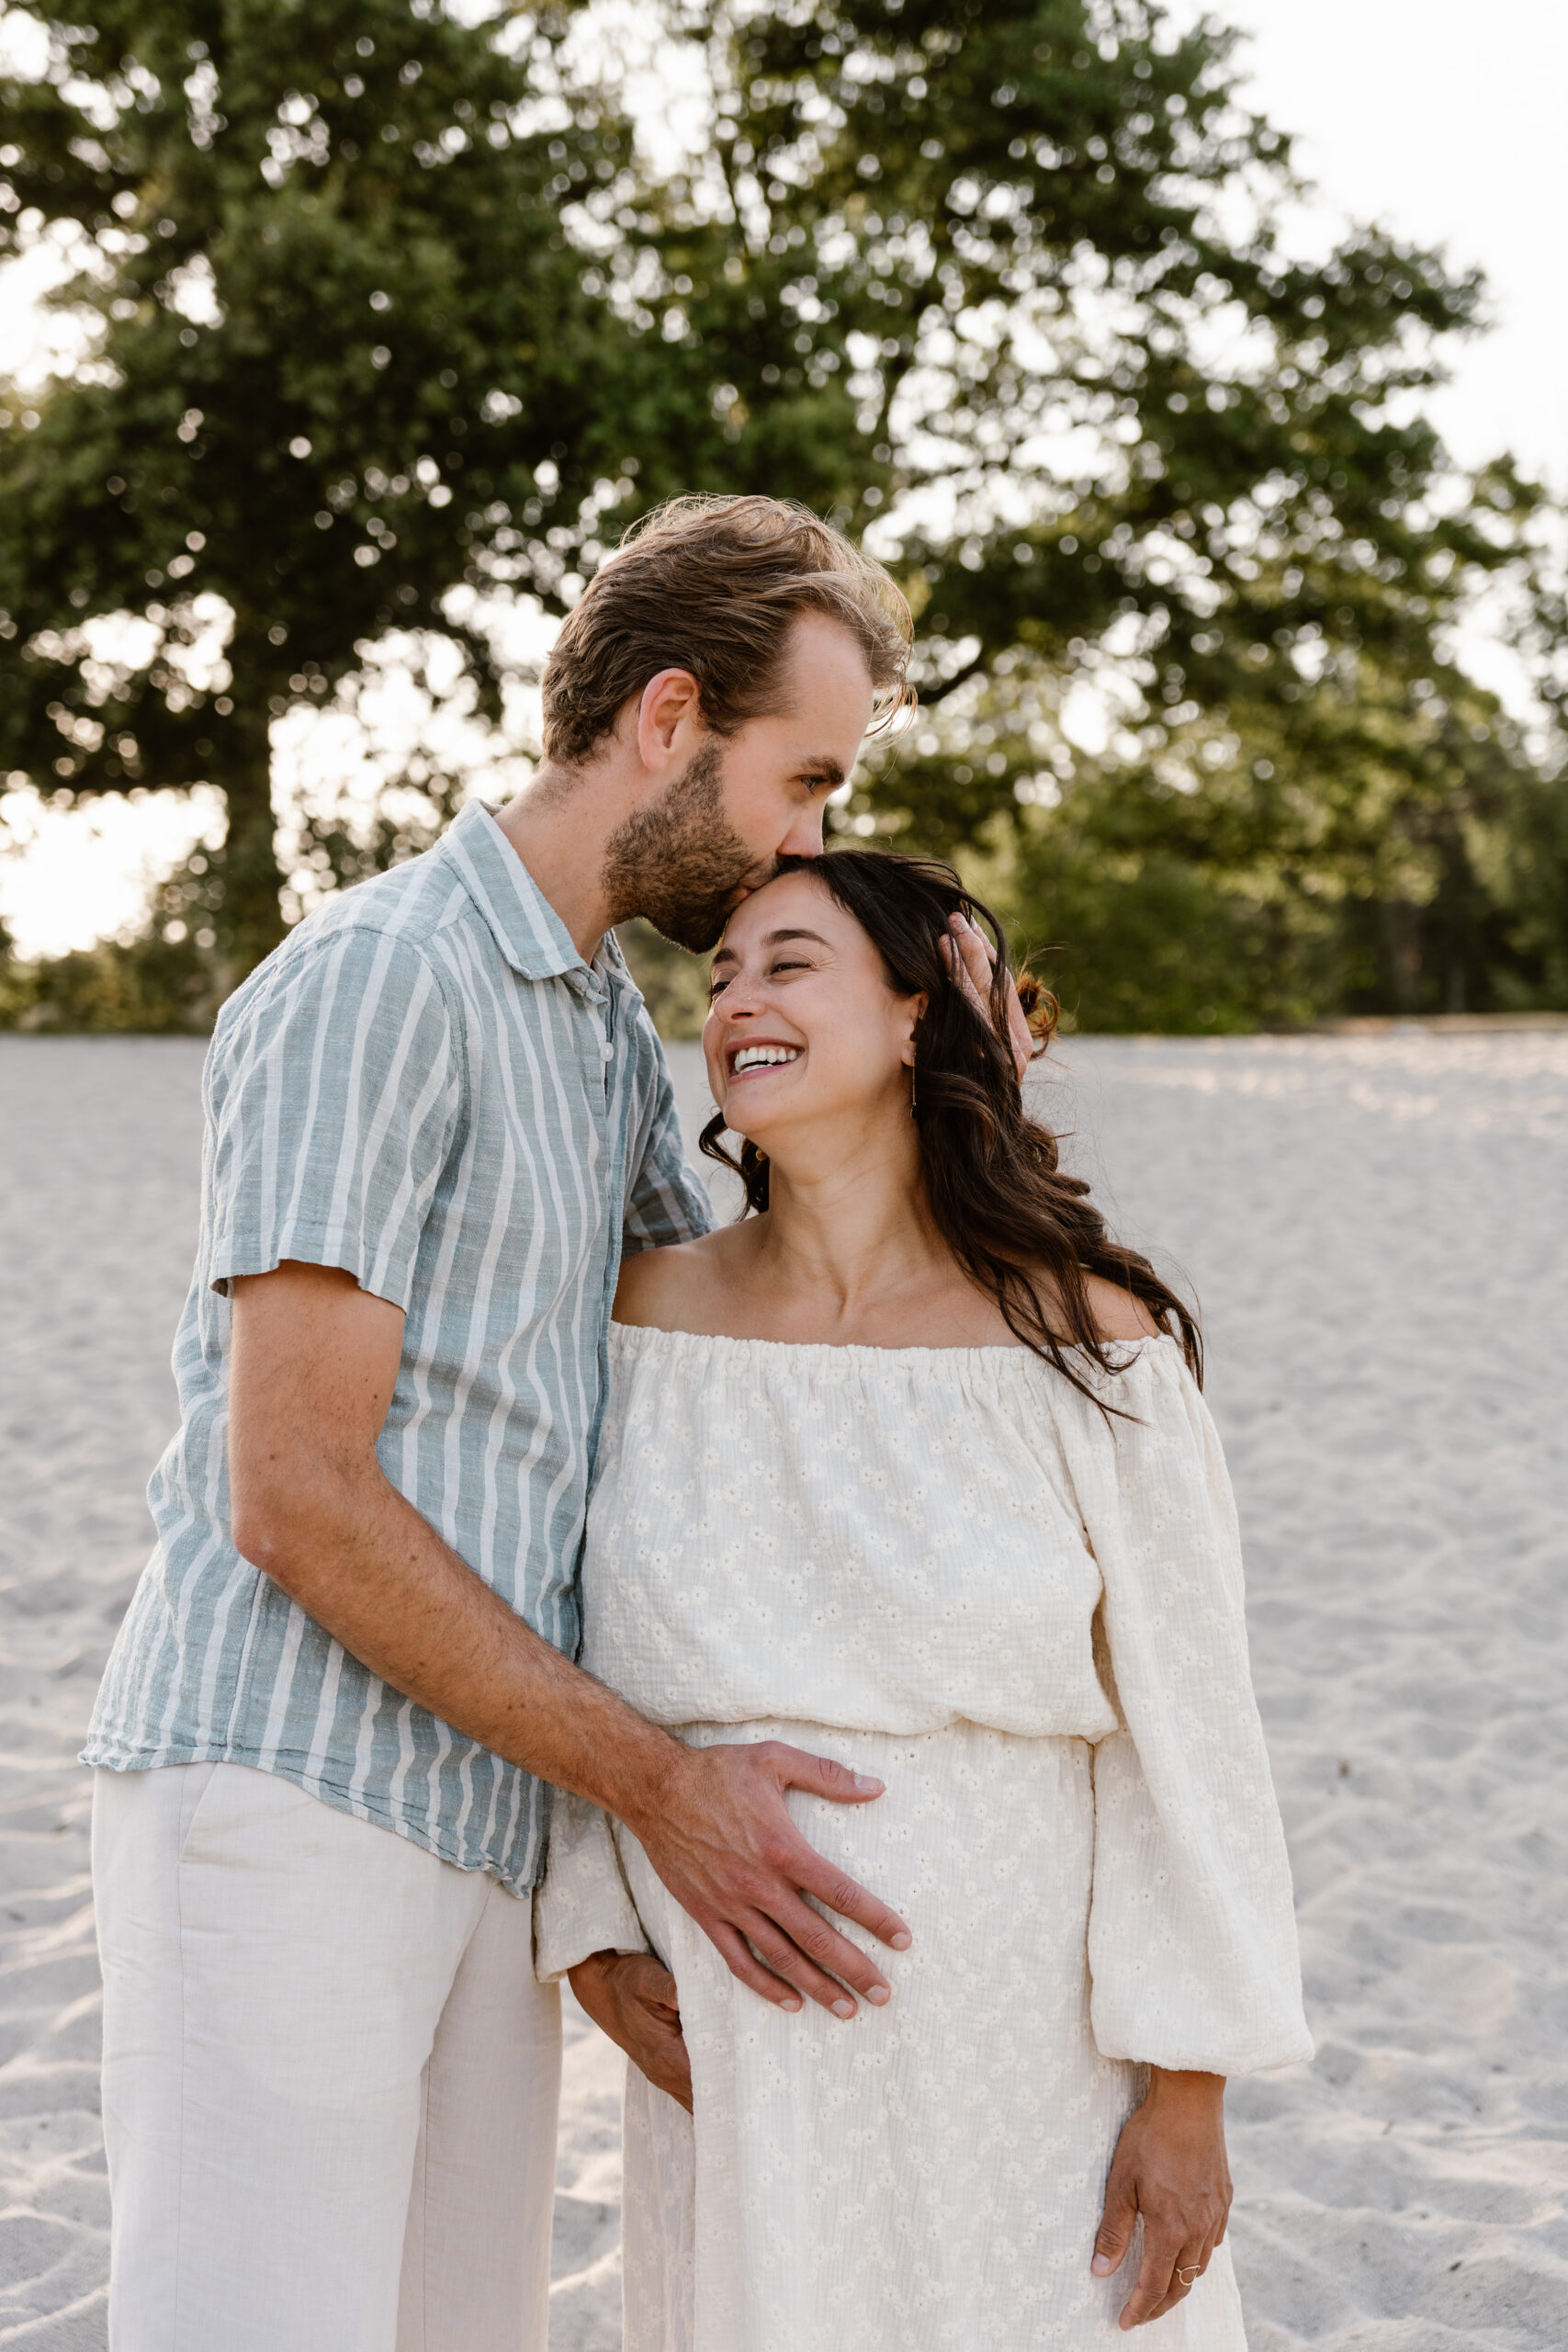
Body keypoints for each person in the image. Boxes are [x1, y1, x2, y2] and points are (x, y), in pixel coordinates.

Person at [85, 496, 1022, 2350]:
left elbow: (761, 1349)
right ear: (668, 718)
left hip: (492, 1816)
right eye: (802, 781)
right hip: (282, 1793)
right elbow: (291, 1492)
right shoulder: (380, 979)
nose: (809, 842)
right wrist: (660, 1792)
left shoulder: (599, 1025)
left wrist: (960, 1070)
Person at [536, 849, 1314, 2349]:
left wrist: (1193, 2089)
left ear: (916, 1015)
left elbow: (1191, 1728)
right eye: (722, 975)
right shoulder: (643, 1316)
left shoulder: (1087, 1340)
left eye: (791, 963)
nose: (738, 1001)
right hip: (734, 2032)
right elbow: (567, 1637)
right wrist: (589, 1934)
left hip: (1029, 2044)